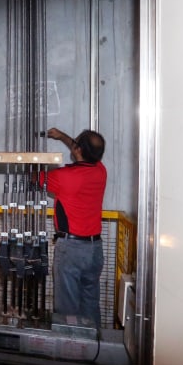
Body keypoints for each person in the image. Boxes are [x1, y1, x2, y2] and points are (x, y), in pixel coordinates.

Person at [45, 127, 107, 328]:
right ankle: (93, 349)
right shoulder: (100, 170)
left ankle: (70, 354)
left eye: (75, 143)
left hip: (71, 251)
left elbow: (35, 178)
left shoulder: (64, 176)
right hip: (94, 250)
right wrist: (62, 135)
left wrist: (29, 162)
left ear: (78, 149)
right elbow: (81, 149)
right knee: (90, 305)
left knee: (67, 311)